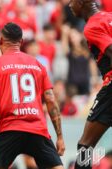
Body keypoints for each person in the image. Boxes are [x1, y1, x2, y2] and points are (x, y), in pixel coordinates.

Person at [0, 22, 65, 169]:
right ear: (21, 42)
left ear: (0, 40)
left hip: (10, 129)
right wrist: (59, 137)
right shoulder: (37, 64)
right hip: (37, 130)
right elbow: (51, 100)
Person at [68, 0, 112, 169]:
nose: (69, 6)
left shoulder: (92, 26)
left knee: (85, 145)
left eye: (71, 2)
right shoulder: (109, 16)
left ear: (81, 3)